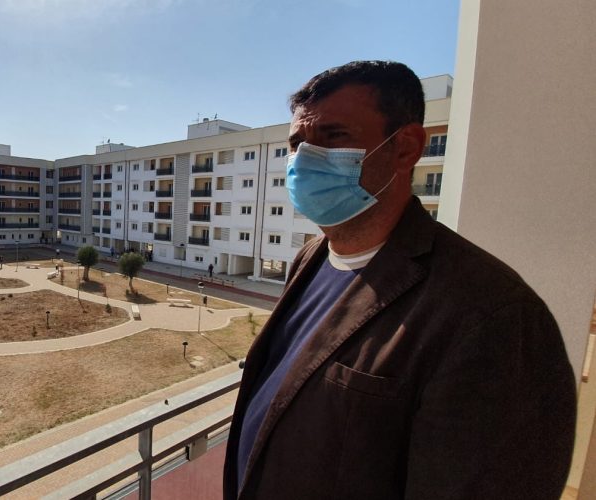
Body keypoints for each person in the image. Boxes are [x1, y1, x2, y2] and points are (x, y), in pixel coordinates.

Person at [224, 61, 575, 499]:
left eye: (335, 136)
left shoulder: (493, 316)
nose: (306, 159)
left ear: (406, 148)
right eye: (298, 144)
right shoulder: (311, 258)